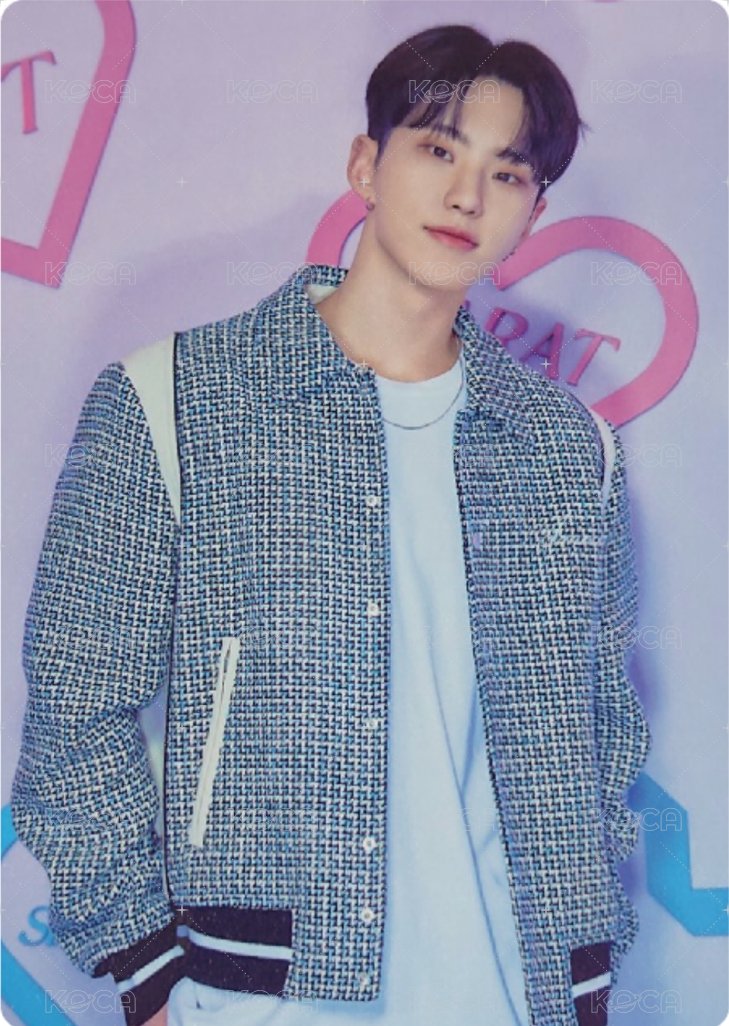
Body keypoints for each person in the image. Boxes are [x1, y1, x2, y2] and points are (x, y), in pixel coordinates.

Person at [11, 22, 652, 1026]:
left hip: (522, 991)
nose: (466, 196)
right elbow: (74, 707)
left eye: (506, 173)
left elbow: (604, 725)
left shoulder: (569, 449)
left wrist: (584, 957)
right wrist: (149, 971)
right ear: (365, 164)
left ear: (534, 214)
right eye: (437, 149)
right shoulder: (174, 399)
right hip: (267, 994)